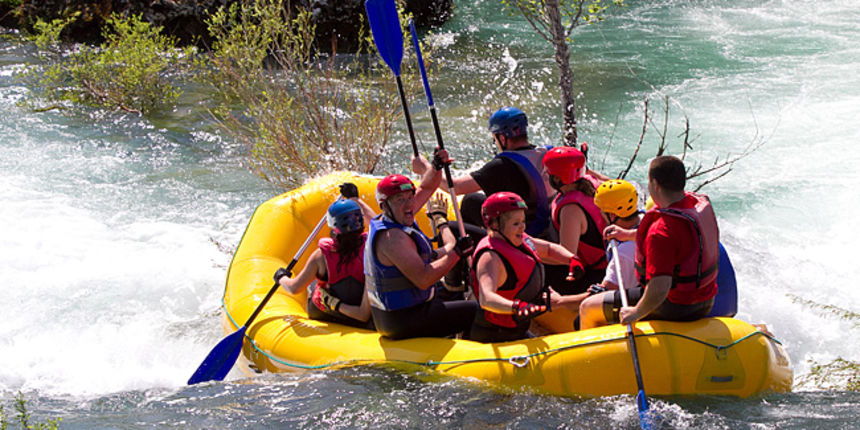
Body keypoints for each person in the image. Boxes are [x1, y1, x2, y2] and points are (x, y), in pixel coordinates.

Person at [579, 156, 719, 330]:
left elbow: (660, 287)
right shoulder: (695, 204)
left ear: (655, 184)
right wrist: (628, 235)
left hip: (675, 306)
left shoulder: (659, 231)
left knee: (588, 307)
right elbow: (676, 242)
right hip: (707, 300)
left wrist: (636, 312)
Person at [365, 165, 479, 339]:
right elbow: (424, 279)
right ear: (385, 206)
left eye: (410, 198)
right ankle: (471, 352)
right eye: (400, 200)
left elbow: (426, 187)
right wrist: (456, 253)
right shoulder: (392, 238)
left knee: (455, 297)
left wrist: (436, 165)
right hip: (401, 320)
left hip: (412, 308)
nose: (409, 204)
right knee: (474, 310)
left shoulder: (400, 216)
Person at [466, 192, 583, 343]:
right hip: (495, 335)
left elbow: (548, 248)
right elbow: (486, 298)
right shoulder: (490, 257)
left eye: (523, 221)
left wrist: (571, 259)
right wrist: (515, 307)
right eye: (516, 223)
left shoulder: (520, 239)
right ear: (495, 225)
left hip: (518, 329)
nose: (522, 227)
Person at [274, 186, 376, 328]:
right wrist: (355, 199)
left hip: (327, 313)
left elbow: (294, 288)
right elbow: (377, 224)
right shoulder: (373, 246)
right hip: (357, 312)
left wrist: (281, 278)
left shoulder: (320, 256)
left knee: (314, 286)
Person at [541, 146, 607, 295]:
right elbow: (609, 180)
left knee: (533, 268)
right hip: (603, 263)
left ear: (557, 179)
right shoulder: (591, 181)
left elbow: (567, 255)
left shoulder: (571, 210)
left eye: (549, 175)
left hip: (592, 274)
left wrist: (533, 256)